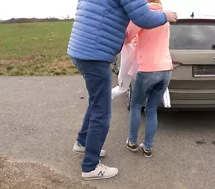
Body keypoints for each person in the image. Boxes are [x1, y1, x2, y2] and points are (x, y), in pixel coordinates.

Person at [67, 0, 178, 181]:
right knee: (101, 112)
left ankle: (83, 143)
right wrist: (166, 15)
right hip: (96, 55)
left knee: (98, 103)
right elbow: (144, 17)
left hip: (79, 50)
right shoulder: (160, 14)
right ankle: (90, 167)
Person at [124, 0, 173, 158]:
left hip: (147, 69)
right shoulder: (165, 18)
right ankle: (148, 147)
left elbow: (128, 37)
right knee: (152, 109)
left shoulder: (142, 15)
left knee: (136, 105)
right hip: (166, 69)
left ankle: (132, 142)